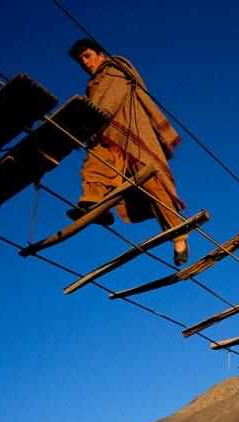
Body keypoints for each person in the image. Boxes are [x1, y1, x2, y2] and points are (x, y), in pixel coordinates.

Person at [68, 38, 190, 265]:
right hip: (106, 135)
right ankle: (94, 205)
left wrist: (92, 121)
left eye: (87, 56)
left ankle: (179, 236)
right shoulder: (93, 85)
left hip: (131, 132)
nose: (84, 62)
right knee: (94, 164)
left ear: (101, 54)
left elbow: (111, 101)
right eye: (80, 60)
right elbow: (96, 107)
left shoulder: (115, 69)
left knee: (153, 185)